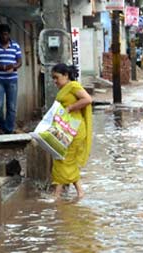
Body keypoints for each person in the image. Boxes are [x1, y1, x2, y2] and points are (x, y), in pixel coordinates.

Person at [50, 64, 93, 202]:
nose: (55, 81)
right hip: (67, 127)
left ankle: (56, 195)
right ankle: (80, 193)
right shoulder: (65, 89)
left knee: (63, 159)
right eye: (53, 78)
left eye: (56, 77)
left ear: (66, 75)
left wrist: (70, 108)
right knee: (65, 159)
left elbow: (87, 99)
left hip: (74, 129)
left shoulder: (73, 86)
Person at [0, 23, 23, 134]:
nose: (4, 37)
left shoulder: (15, 46)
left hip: (12, 79)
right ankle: (2, 125)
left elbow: (19, 62)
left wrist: (14, 67)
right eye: (2, 34)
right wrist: (3, 67)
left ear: (9, 34)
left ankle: (8, 129)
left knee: (11, 106)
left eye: (6, 34)